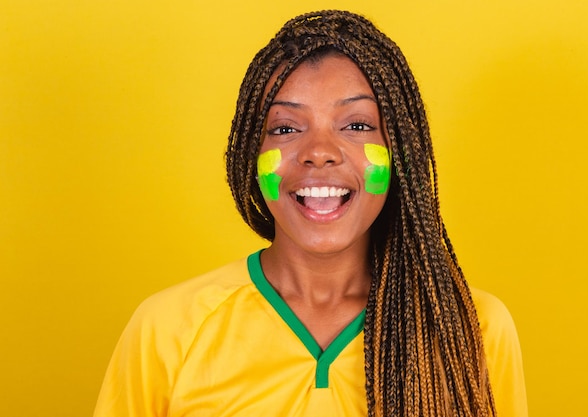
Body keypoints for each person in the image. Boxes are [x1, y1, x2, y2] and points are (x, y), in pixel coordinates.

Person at [94, 10, 527, 417]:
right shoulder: (168, 330)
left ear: (400, 153)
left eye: (356, 126)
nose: (319, 153)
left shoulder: (471, 332)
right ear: (250, 153)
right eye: (285, 128)